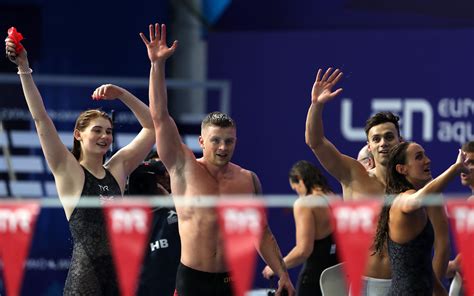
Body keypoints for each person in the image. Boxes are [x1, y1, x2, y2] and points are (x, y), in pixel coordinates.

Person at [140, 23, 295, 296]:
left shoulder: (247, 179)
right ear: (202, 141)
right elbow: (160, 117)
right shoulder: (183, 167)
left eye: (229, 141)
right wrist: (157, 66)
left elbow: (261, 232)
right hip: (191, 281)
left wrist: (283, 274)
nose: (223, 147)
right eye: (216, 140)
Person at [5, 38, 155, 294]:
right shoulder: (69, 171)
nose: (105, 136)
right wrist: (24, 69)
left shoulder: (117, 170)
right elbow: (40, 119)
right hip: (85, 281)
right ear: (78, 134)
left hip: (119, 280)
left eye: (108, 131)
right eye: (97, 130)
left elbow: (152, 127)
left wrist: (121, 94)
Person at [305, 67, 449, 295]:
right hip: (363, 284)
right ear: (369, 146)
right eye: (376, 139)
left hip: (406, 287)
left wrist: (431, 285)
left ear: (400, 140)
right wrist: (317, 105)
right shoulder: (353, 175)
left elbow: (441, 244)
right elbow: (316, 142)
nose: (383, 143)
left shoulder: (420, 185)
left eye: (389, 137)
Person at [372, 142, 468, 295]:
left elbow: (420, 262)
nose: (427, 160)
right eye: (419, 157)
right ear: (402, 169)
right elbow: (416, 200)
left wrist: (438, 290)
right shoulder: (403, 199)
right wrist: (455, 169)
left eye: (425, 155)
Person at [261, 160, 339, 296]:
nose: (298, 194)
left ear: (301, 181)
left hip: (314, 281)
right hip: (336, 279)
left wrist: (276, 267)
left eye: (296, 189)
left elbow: (303, 251)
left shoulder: (305, 203)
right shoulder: (336, 199)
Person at [126, 155, 181, 296]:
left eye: (163, 174)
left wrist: (169, 202)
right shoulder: (126, 217)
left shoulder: (181, 208)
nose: (144, 185)